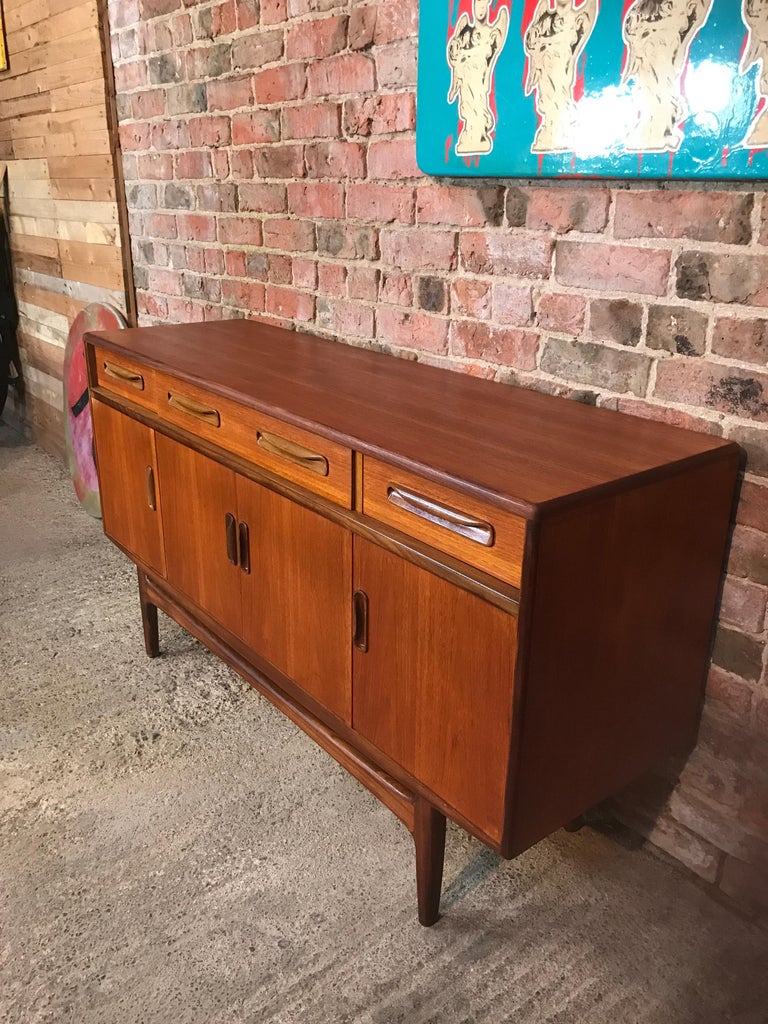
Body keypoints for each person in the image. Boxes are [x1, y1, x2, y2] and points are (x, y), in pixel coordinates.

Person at [447, 0, 510, 156]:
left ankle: (479, 134)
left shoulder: (492, 33)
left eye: (483, 5)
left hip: (479, 80)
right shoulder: (466, 32)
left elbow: (490, 56)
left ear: (488, 6)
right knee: (467, 107)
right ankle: (470, 133)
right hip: (466, 78)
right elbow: (456, 57)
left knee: (478, 105)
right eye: (477, 4)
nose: (480, 9)